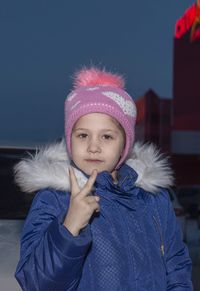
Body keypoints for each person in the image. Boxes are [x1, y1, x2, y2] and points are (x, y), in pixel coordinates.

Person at [14, 67, 193, 290]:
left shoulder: (154, 200)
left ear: (124, 145)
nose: (93, 147)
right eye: (82, 135)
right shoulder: (55, 198)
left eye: (107, 136)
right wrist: (69, 227)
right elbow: (36, 282)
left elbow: (176, 265)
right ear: (70, 140)